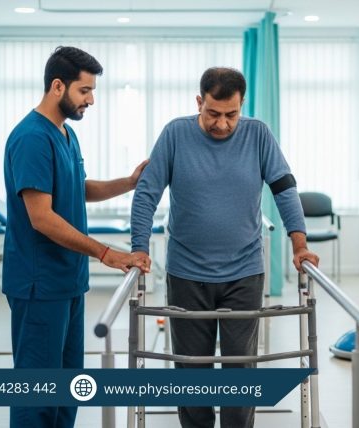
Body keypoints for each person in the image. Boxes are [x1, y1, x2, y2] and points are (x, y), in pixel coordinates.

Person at [130, 67, 319, 428]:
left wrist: (300, 245)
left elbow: (284, 188)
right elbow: (147, 193)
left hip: (244, 274)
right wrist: (140, 247)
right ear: (199, 102)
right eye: (213, 113)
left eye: (231, 114)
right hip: (187, 273)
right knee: (191, 371)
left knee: (240, 372)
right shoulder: (175, 134)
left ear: (241, 106)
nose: (222, 124)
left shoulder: (258, 134)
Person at [2, 46, 149, 428]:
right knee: (37, 395)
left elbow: (77, 187)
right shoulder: (32, 137)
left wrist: (129, 183)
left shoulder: (65, 133)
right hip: (39, 285)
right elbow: (42, 218)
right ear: (57, 86)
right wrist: (105, 253)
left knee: (67, 389)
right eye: (84, 91)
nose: (91, 100)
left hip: (67, 282)